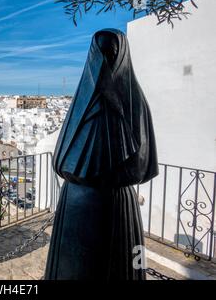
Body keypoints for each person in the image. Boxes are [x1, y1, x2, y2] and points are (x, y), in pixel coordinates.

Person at [44, 28, 158, 280]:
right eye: (102, 52)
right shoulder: (85, 104)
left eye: (111, 52)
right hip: (80, 202)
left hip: (111, 203)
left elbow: (143, 164)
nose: (106, 60)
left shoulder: (130, 104)